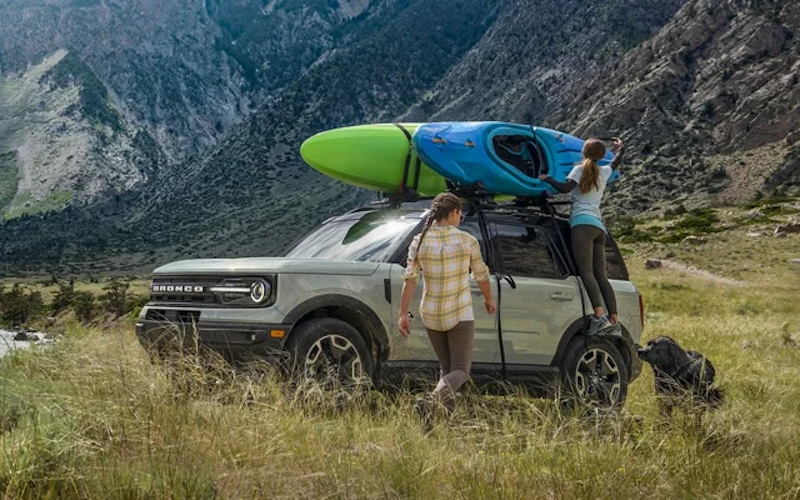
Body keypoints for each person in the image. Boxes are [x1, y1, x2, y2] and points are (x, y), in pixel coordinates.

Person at [398, 192, 496, 419]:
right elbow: (480, 274)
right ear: (452, 213)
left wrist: (403, 314)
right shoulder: (466, 240)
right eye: (460, 214)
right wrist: (488, 298)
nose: (461, 219)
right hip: (459, 312)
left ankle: (439, 421)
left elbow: (410, 279)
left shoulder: (419, 242)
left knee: (447, 369)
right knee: (461, 370)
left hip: (431, 314)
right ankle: (431, 402)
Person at [539, 138, 625, 336]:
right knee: (601, 276)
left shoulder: (579, 170)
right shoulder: (604, 171)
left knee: (586, 272)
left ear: (584, 153)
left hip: (581, 224)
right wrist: (620, 148)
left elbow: (564, 188)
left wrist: (547, 179)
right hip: (598, 227)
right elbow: (616, 161)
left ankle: (598, 316)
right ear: (602, 155)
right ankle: (614, 321)